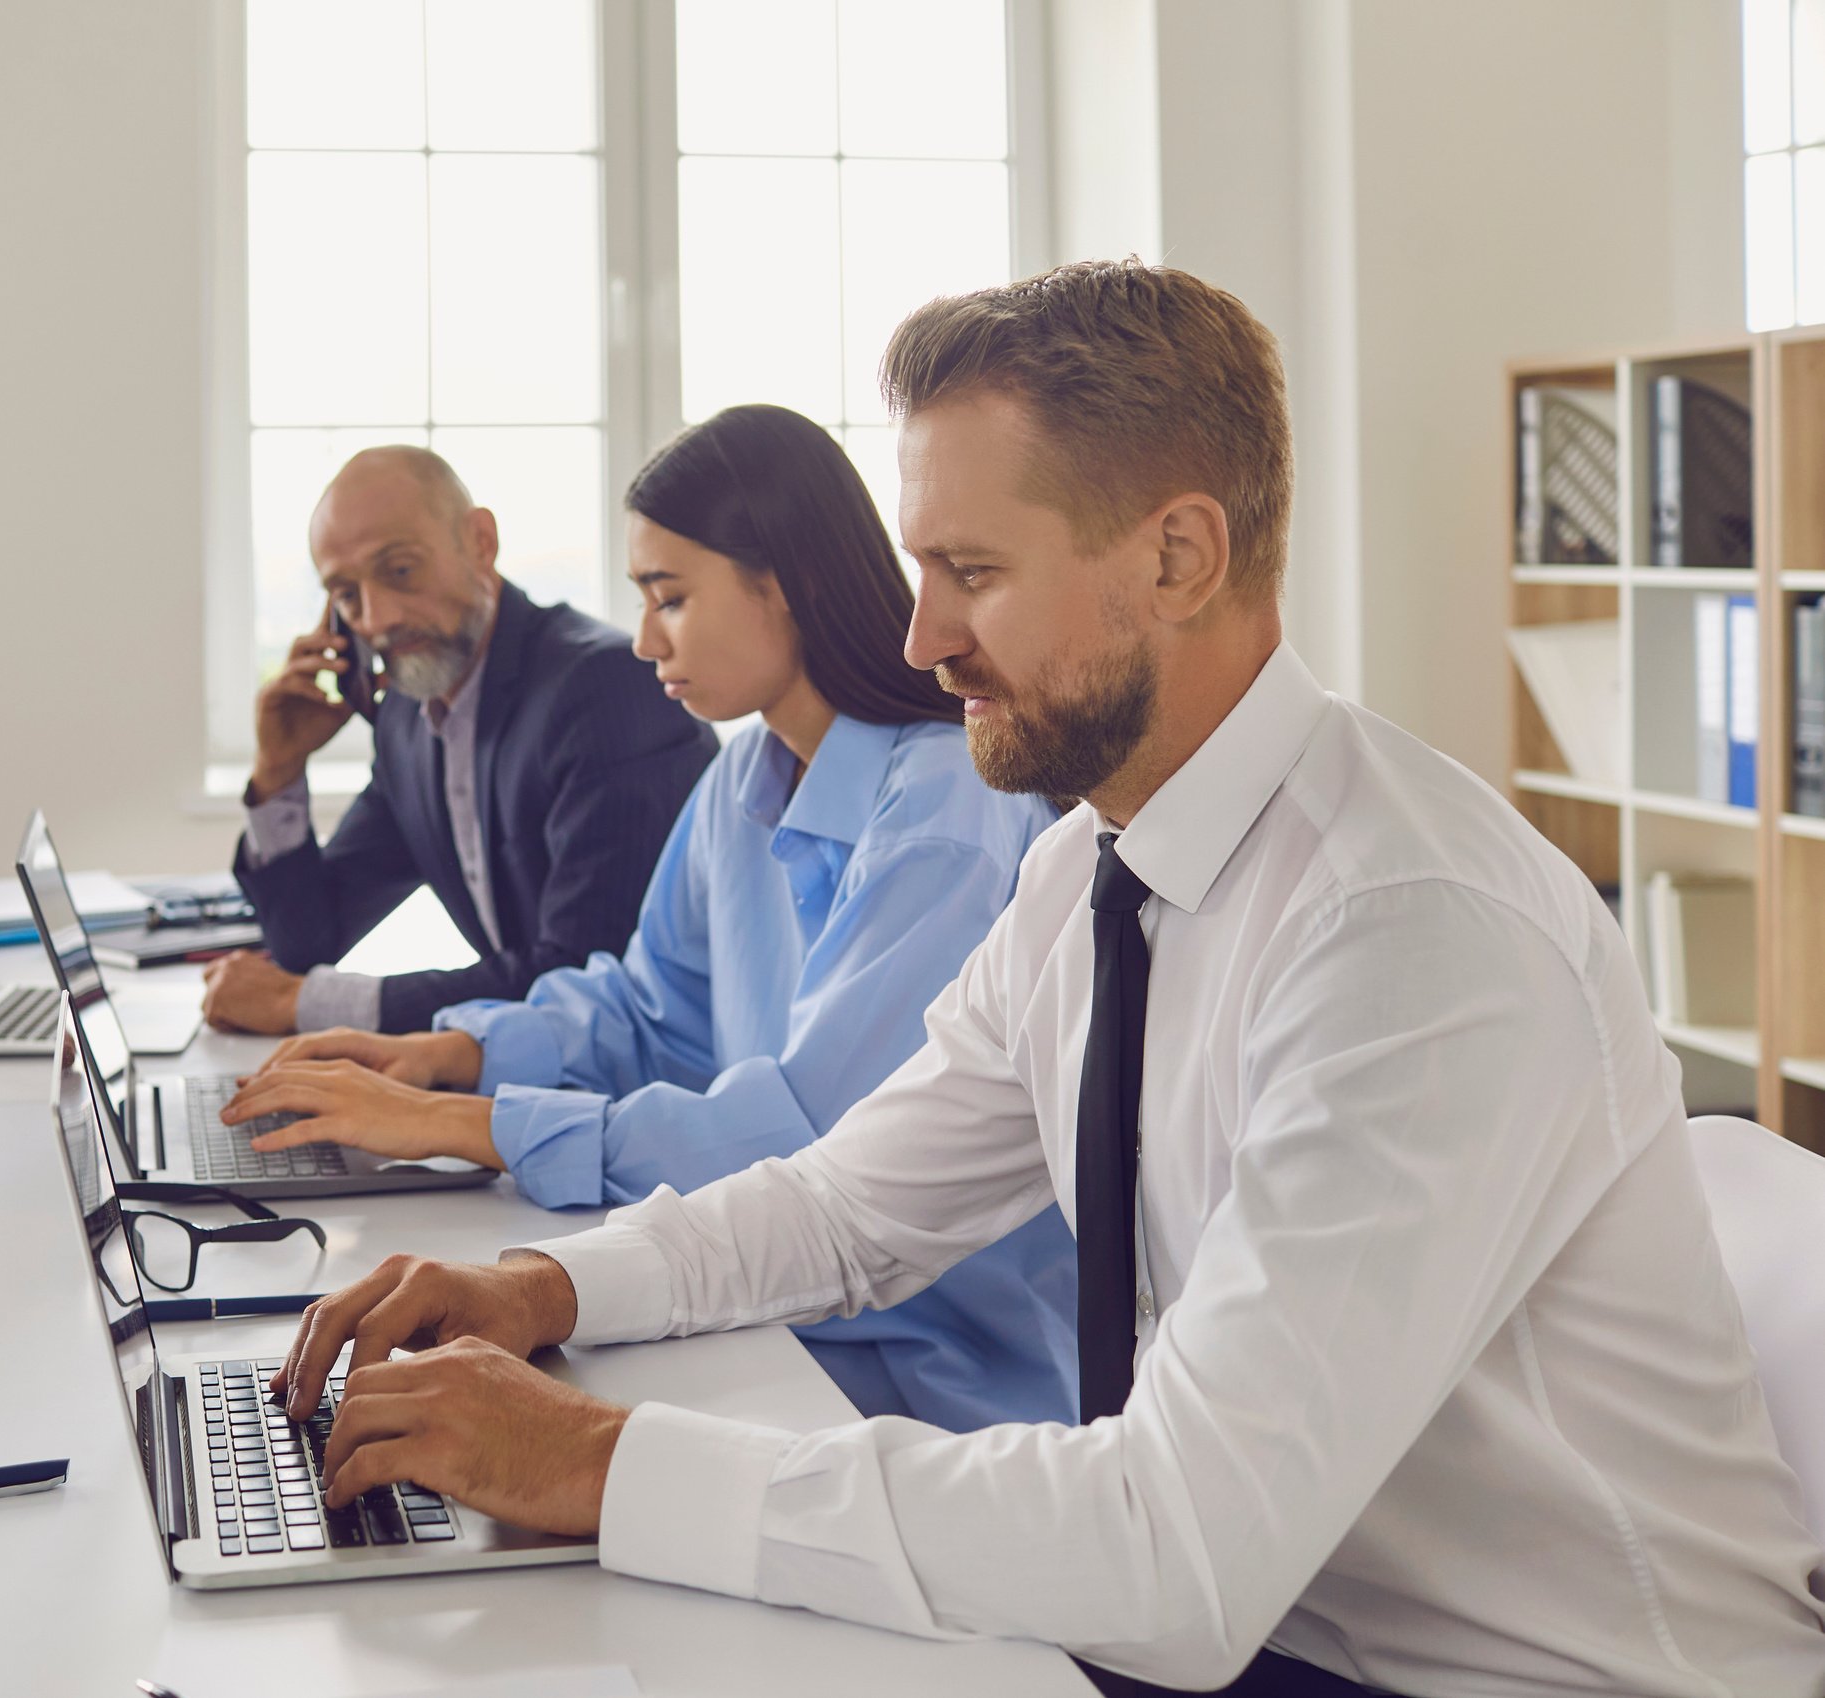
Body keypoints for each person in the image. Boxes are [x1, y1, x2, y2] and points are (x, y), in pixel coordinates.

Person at [259, 262, 1825, 1696]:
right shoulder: (1091, 869)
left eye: (969, 571)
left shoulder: (1408, 934)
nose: (921, 634)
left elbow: (1180, 1552)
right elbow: (846, 1204)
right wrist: (541, 1287)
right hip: (1289, 1626)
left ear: (1178, 555)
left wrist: (602, 1464)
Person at [220, 404, 1077, 1432]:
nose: (641, 638)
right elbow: (648, 1010)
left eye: (669, 598)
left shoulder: (946, 809)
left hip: (921, 1369)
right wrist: (449, 1056)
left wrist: (469, 1125)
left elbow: (817, 1143)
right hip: (756, 1311)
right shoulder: (743, 780)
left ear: (787, 585)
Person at [205, 446, 716, 1037]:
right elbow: (310, 942)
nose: (378, 619)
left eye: (399, 570)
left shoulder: (604, 689)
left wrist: (310, 1005)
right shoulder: (408, 716)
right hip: (535, 1072)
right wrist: (280, 770)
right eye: (347, 595)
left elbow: (582, 974)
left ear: (480, 541)